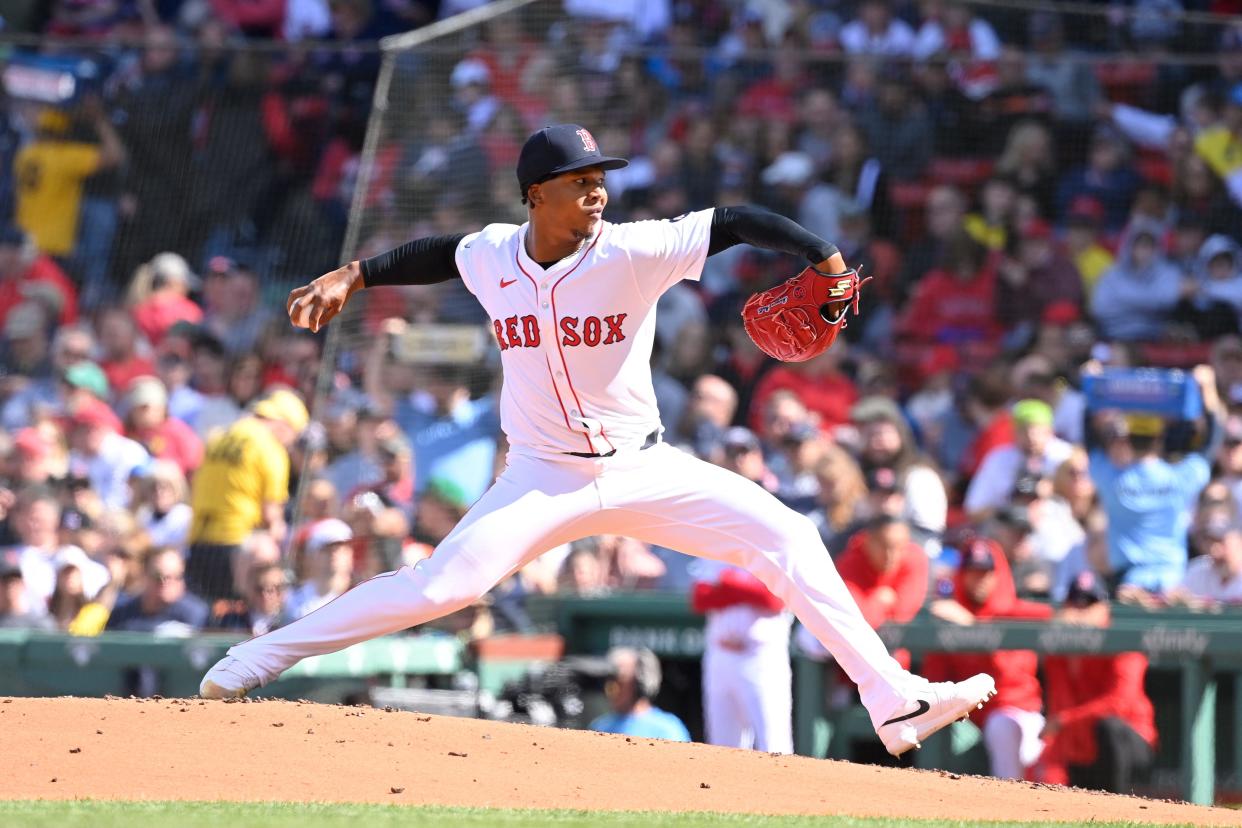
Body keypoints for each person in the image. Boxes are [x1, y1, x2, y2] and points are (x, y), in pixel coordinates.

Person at [200, 124, 995, 758]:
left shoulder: (632, 250)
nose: (598, 191)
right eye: (581, 181)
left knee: (785, 533)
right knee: (443, 588)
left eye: (600, 178)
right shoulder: (492, 255)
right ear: (536, 196)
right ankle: (258, 658)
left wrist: (819, 255)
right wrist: (355, 274)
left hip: (644, 466)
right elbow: (441, 253)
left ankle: (892, 699)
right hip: (540, 477)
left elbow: (738, 222)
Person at [925, 537, 1052, 781]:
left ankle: (1011, 807)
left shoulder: (1016, 611)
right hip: (969, 716)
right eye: (972, 572)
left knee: (1006, 728)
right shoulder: (950, 613)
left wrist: (971, 626)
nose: (979, 579)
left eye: (985, 572)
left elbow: (1062, 618)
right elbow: (935, 676)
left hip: (1020, 712)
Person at [1087, 365, 1222, 594]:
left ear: (1128, 438)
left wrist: (1093, 387)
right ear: (1159, 439)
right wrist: (1207, 391)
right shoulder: (1181, 476)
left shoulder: (1110, 478)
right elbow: (1210, 444)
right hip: (1172, 578)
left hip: (1128, 580)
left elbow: (1090, 441)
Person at [1039, 571, 1157, 794]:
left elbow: (1119, 704)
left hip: (1130, 749)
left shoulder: (1122, 643)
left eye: (1089, 604)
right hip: (1080, 751)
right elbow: (1059, 706)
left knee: (1109, 727)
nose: (1081, 613)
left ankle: (1119, 808)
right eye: (1075, 604)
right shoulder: (1058, 650)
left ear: (1104, 608)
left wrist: (1065, 720)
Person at [187, 388, 308, 601]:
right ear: (284, 426)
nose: (290, 445)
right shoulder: (270, 448)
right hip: (237, 545)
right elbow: (271, 514)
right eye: (293, 437)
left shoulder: (219, 437)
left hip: (198, 540)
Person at [691, 560, 792, 753]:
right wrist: (746, 590)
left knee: (773, 744)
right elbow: (700, 598)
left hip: (761, 659)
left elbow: (775, 599)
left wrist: (728, 583)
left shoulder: (773, 549)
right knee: (721, 745)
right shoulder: (717, 550)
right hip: (720, 657)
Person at [965, 399, 1073, 522]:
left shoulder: (1066, 456)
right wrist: (1009, 504)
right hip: (1009, 530)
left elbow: (1086, 500)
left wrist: (1053, 490)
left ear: (1050, 431)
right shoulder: (999, 459)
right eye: (1024, 431)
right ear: (1014, 432)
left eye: (1037, 431)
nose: (1031, 438)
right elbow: (973, 510)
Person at [588, 647, 691, 742]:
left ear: (640, 682)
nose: (611, 688)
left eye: (620, 680)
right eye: (608, 680)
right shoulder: (600, 727)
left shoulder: (667, 729)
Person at [286, 518, 355, 619]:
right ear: (311, 557)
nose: (333, 553)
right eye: (326, 549)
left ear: (350, 554)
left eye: (340, 547)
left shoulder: (359, 598)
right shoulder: (292, 603)